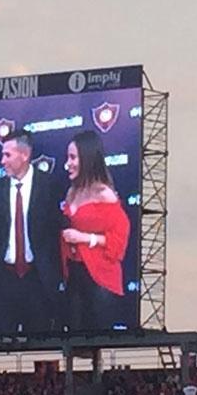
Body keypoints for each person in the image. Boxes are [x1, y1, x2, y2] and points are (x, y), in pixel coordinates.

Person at [0, 129, 65, 332]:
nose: (2, 161)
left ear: (25, 155)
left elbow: (55, 231)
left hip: (38, 279)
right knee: (2, 348)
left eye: (7, 155)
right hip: (3, 281)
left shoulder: (49, 185)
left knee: (40, 348)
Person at [61, 130, 130, 331]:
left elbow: (119, 239)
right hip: (74, 274)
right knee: (73, 339)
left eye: (73, 157)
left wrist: (84, 238)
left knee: (96, 337)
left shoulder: (104, 194)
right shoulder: (72, 191)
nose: (69, 163)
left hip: (99, 277)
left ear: (87, 157)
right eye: (68, 157)